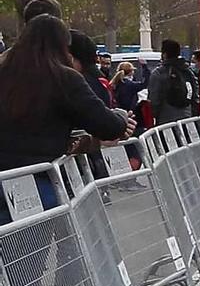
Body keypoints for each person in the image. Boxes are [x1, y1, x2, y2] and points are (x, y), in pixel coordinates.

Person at [0, 15, 135, 219]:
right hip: (38, 180)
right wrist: (121, 116)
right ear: (64, 47)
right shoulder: (63, 78)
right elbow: (106, 125)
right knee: (32, 246)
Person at [148, 40, 198, 126]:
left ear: (164, 54)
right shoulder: (187, 71)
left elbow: (154, 98)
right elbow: (195, 94)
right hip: (187, 118)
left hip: (166, 120)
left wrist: (154, 115)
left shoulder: (159, 73)